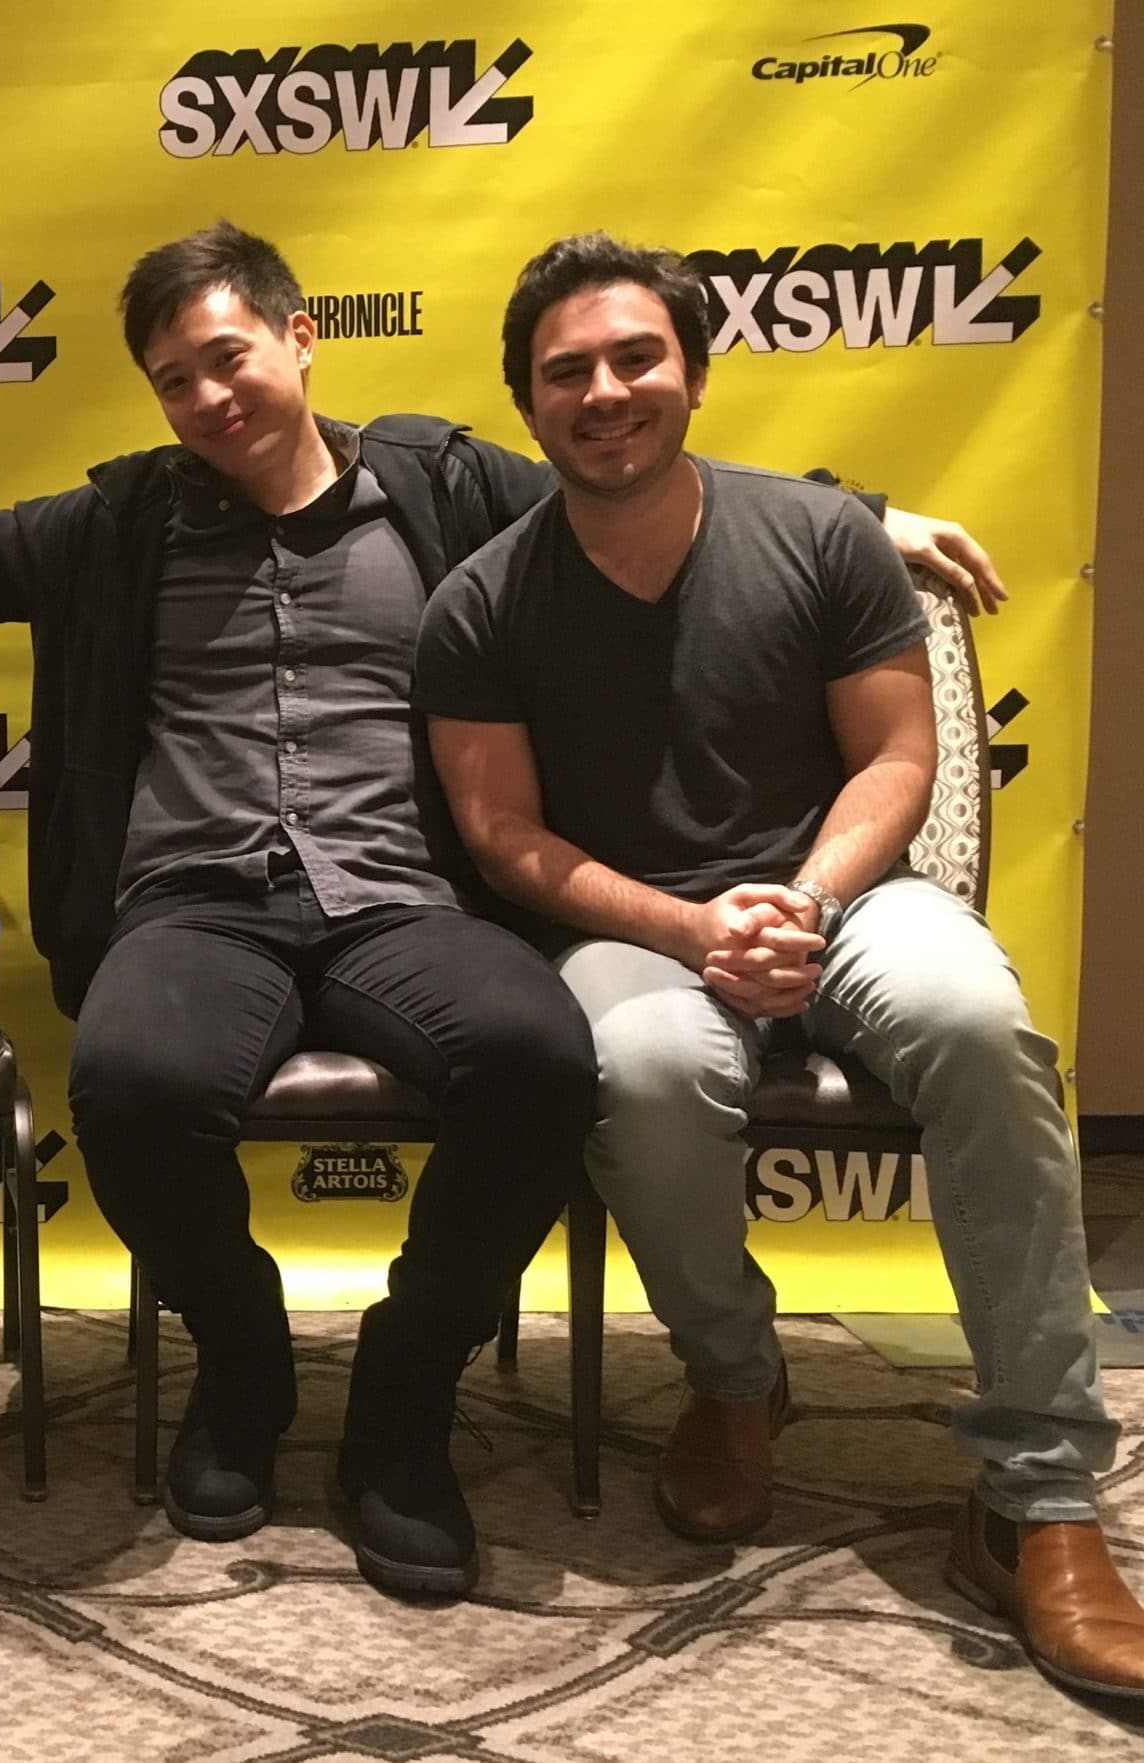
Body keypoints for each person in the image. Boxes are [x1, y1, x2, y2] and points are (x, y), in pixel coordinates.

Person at [0, 220, 1005, 1601]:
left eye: (227, 359)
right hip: (199, 904)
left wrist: (869, 521)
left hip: (404, 897)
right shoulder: (126, 517)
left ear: (299, 337)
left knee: (542, 1062)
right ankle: (245, 1359)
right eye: (173, 382)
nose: (207, 400)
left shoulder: (442, 484)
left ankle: (405, 1394)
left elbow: (643, 476)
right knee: (133, 1081)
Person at [416, 229, 1144, 1700]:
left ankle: (1037, 1497)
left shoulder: (816, 539)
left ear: (691, 369)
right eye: (569, 371)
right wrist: (691, 932)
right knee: (641, 1065)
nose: (606, 389)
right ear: (528, 401)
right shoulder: (483, 603)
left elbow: (900, 755)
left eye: (636, 357)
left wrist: (798, 904)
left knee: (980, 1022)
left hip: (841, 896)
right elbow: (506, 840)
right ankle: (736, 1383)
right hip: (629, 925)